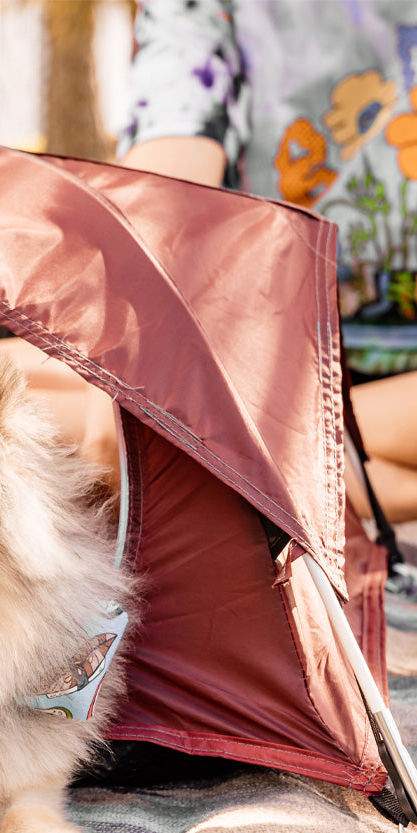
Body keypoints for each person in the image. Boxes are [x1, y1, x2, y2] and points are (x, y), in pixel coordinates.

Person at [116, 0, 417, 627]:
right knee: (78, 415)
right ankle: (311, 484)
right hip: (257, 360)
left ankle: (267, 485)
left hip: (263, 414)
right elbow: (169, 173)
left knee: (136, 455)